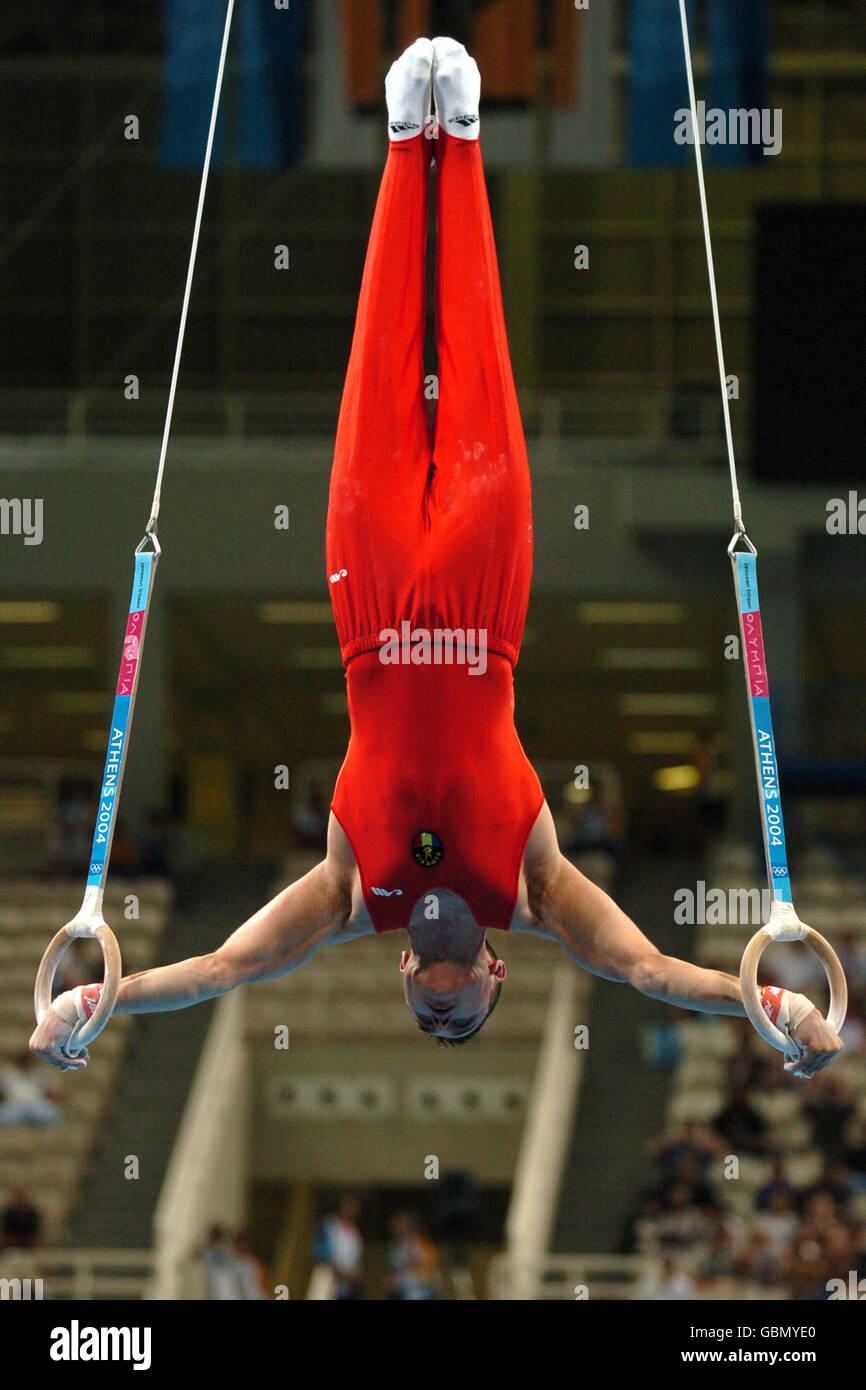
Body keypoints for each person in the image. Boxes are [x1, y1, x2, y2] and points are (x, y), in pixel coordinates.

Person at [29, 40, 842, 1078]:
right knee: (473, 351)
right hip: (484, 598)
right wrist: (777, 1006)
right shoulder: (536, 886)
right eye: (458, 1011)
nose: (438, 994)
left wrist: (93, 1004)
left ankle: (402, 139)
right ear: (497, 971)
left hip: (364, 599)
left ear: (402, 974)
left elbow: (223, 966)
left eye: (428, 1010)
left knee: (377, 356)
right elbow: (646, 971)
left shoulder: (347, 890)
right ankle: (454, 141)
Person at [313, 1195, 364, 1301]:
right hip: (328, 1280)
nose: (351, 1210)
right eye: (348, 1206)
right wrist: (341, 1273)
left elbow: (356, 1258)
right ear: (341, 1206)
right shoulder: (328, 1225)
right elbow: (321, 1253)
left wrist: (356, 1275)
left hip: (349, 1286)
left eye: (354, 1207)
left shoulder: (355, 1231)